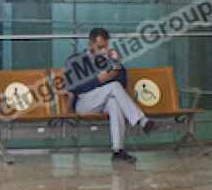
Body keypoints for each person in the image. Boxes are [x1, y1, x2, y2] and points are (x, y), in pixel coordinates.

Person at [64, 27, 157, 163]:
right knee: (113, 87)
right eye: (100, 47)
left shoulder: (107, 60)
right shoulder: (75, 60)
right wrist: (100, 80)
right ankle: (142, 120)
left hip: (104, 100)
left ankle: (118, 150)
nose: (103, 50)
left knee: (114, 101)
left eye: (106, 47)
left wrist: (117, 63)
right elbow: (74, 87)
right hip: (84, 103)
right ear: (90, 44)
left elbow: (122, 83)